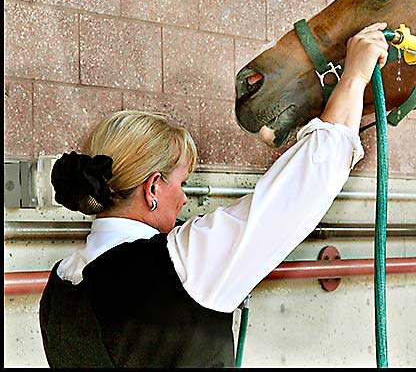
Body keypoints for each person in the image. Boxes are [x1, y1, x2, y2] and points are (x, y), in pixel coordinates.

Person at [39, 23, 390, 368]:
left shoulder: (60, 284)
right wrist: (355, 77)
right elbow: (305, 184)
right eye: (182, 184)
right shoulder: (182, 264)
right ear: (153, 189)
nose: (182, 201)